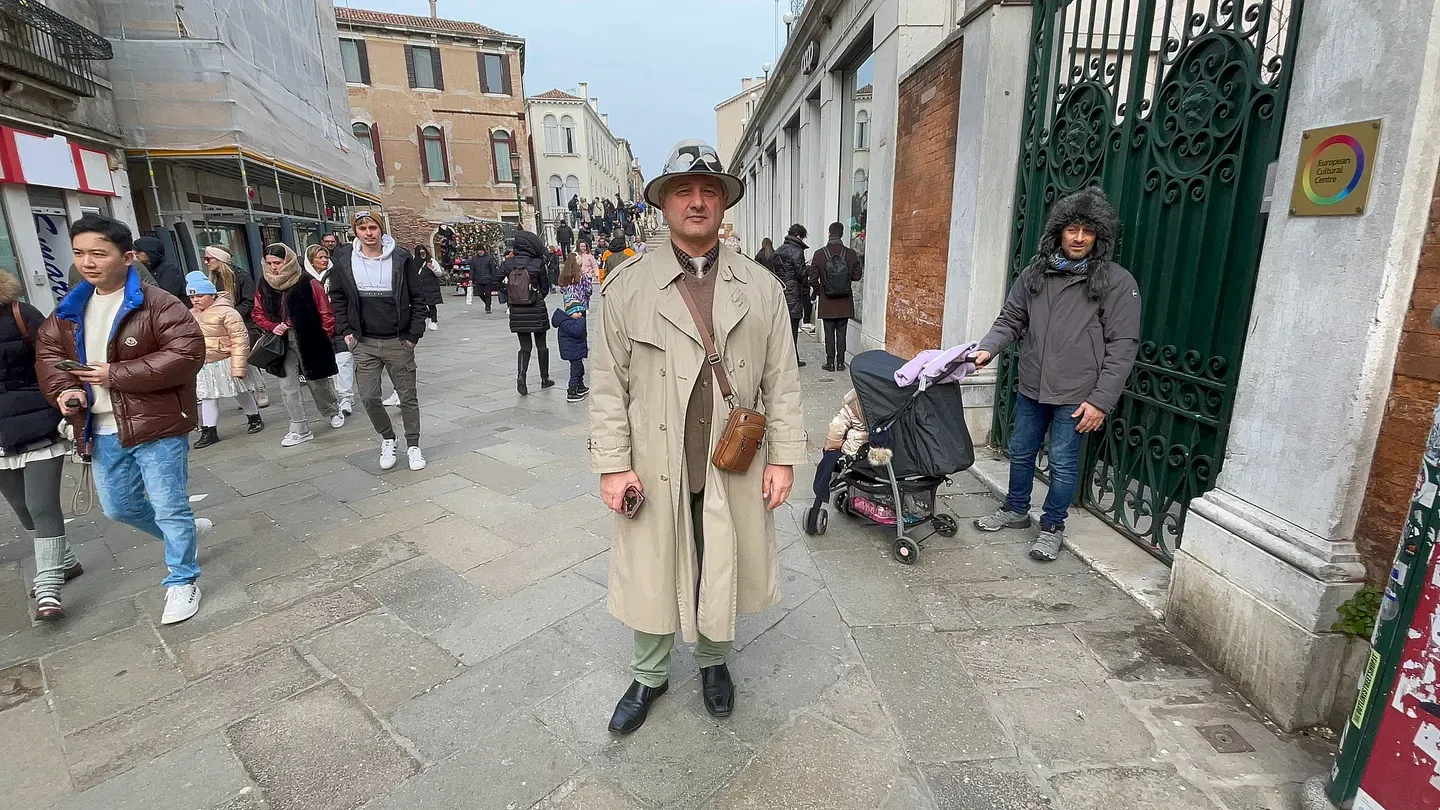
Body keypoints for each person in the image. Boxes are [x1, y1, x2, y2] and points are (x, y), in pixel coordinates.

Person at [590, 139, 805, 734]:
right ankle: (649, 674)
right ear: (663, 202)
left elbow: (781, 379)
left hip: (731, 459)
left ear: (723, 203)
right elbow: (607, 385)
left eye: (708, 190)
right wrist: (612, 465)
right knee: (654, 562)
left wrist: (783, 458)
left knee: (721, 557)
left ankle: (714, 662)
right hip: (655, 458)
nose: (696, 201)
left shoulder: (761, 288)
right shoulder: (624, 286)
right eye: (683, 190)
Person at [36, 214, 210, 626]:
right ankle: (182, 533)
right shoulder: (70, 307)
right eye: (79, 253)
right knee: (120, 507)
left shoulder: (158, 302)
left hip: (157, 421)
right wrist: (65, 391)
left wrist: (114, 375)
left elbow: (187, 354)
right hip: (101, 426)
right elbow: (48, 355)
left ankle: (182, 579)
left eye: (99, 253)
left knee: (168, 505)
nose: (88, 262)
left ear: (127, 256)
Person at [969, 187, 1141, 562]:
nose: (1078, 238)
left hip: (1078, 394)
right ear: (1058, 231)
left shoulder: (1115, 281)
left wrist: (1100, 401)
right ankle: (1015, 510)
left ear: (1099, 237)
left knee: (1063, 463)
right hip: (1033, 384)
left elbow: (1123, 345)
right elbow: (1011, 319)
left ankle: (1052, 527)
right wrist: (987, 348)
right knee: (1021, 451)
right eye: (1072, 229)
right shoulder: (1036, 273)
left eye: (1087, 231)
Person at [0, 269, 79, 619]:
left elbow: (53, 358)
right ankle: (67, 560)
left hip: (37, 422)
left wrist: (66, 394)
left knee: (41, 504)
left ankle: (48, 589)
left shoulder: (20, 313)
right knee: (22, 508)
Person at [328, 211, 429, 471]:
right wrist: (346, 331)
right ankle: (388, 438)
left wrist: (413, 335)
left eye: (373, 227)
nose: (368, 233)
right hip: (364, 341)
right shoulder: (344, 259)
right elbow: (338, 297)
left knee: (407, 396)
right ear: (355, 232)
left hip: (398, 339)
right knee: (369, 396)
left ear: (381, 229)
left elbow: (418, 297)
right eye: (362, 228)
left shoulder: (400, 257)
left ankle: (414, 444)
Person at [252, 244, 341, 445]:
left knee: (317, 381)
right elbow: (257, 312)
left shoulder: (307, 282)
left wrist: (323, 337)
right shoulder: (263, 284)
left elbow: (325, 312)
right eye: (269, 263)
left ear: (288, 261)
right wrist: (272, 326)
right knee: (287, 386)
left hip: (310, 338)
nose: (274, 267)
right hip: (280, 342)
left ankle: (332, 410)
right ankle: (299, 427)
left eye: (278, 262)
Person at [187, 271, 263, 448]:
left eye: (199, 295)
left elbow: (239, 338)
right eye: (192, 296)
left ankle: (254, 416)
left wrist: (238, 366)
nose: (195, 300)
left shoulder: (227, 312)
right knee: (208, 396)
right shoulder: (192, 314)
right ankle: (209, 430)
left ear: (212, 295)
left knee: (240, 391)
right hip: (206, 362)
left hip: (227, 359)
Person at [203, 245, 268, 407]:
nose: (206, 263)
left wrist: (232, 315)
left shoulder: (242, 277)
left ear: (220, 259)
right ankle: (246, 393)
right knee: (234, 359)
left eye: (209, 258)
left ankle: (259, 388)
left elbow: (249, 301)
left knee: (248, 358)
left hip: (244, 324)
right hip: (223, 328)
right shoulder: (212, 279)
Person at [808, 222, 863, 372]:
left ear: (829, 233)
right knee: (842, 332)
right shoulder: (850, 254)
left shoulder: (820, 254)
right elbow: (857, 276)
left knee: (829, 332)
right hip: (845, 300)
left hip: (827, 301)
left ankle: (830, 362)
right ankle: (841, 362)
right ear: (842, 234)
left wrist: (821, 290)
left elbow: (812, 278)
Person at [306, 245, 354, 416]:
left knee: (344, 361)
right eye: (319, 258)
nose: (324, 260)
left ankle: (346, 396)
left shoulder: (337, 274)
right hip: (318, 327)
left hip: (340, 323)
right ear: (311, 260)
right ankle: (339, 394)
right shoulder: (305, 280)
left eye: (325, 257)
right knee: (330, 363)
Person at [504, 231, 553, 395]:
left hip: (517, 310)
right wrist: (536, 296)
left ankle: (521, 377)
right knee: (541, 345)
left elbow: (495, 280)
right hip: (536, 307)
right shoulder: (538, 263)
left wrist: (512, 294)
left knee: (524, 347)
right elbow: (545, 286)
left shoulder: (509, 263)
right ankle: (544, 379)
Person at [553, 253, 591, 402]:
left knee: (576, 342)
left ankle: (579, 385)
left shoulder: (564, 279)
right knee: (579, 340)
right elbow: (588, 291)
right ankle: (573, 389)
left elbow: (564, 293)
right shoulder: (581, 277)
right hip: (578, 311)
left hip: (570, 312)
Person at [773, 225, 811, 368]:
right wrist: (806, 271)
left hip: (780, 291)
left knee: (782, 328)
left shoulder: (778, 250)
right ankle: (793, 358)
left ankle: (782, 359)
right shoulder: (797, 251)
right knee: (793, 328)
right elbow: (801, 273)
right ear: (799, 236)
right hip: (793, 292)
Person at [132, 237, 187, 303]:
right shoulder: (141, 269)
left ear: (150, 252)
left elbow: (166, 296)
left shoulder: (170, 270)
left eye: (139, 251)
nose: (135, 253)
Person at [415, 244, 444, 331]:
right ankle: (429, 316)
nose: (422, 255)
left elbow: (439, 273)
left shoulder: (431, 261)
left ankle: (433, 321)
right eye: (420, 253)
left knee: (431, 304)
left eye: (424, 252)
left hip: (431, 285)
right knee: (419, 305)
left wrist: (432, 268)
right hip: (419, 287)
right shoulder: (414, 263)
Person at [470, 246, 501, 314]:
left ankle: (488, 307)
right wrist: (471, 278)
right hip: (478, 278)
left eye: (481, 250)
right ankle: (486, 303)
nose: (479, 252)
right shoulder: (474, 258)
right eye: (478, 251)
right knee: (479, 293)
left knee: (488, 294)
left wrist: (494, 278)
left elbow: (493, 269)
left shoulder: (489, 258)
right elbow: (472, 269)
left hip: (488, 279)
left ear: (484, 250)